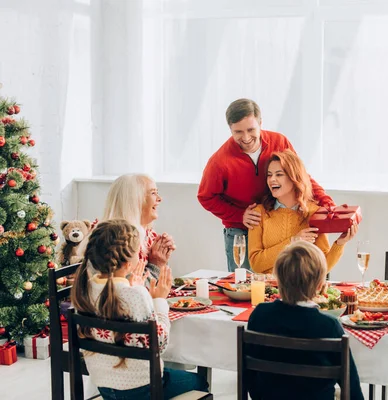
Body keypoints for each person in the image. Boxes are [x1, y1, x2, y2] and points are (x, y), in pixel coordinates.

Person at [71, 220, 208, 399]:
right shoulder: (136, 295)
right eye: (139, 252)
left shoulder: (84, 289)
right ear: (128, 264)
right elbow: (160, 343)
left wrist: (132, 286)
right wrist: (159, 300)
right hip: (143, 388)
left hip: (104, 387)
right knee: (199, 382)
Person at [197, 98, 335, 272]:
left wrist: (326, 202)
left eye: (251, 129)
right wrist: (240, 216)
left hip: (275, 220)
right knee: (244, 286)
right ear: (230, 129)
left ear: (260, 123)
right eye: (238, 132)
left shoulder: (280, 142)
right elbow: (205, 197)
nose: (246, 138)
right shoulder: (219, 162)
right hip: (242, 229)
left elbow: (299, 175)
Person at [247, 241, 364, 400]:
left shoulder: (259, 314)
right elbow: (353, 391)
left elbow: (250, 378)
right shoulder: (329, 326)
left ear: (277, 281)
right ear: (320, 285)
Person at [248, 150, 357, 274]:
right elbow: (256, 264)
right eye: (269, 174)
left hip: (302, 290)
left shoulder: (315, 213)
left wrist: (340, 243)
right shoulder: (259, 213)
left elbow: (323, 267)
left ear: (294, 177)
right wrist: (293, 242)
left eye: (279, 174)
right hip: (268, 290)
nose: (272, 179)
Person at [88, 174, 176, 280]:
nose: (159, 199)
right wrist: (156, 265)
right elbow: (131, 291)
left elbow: (158, 284)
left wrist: (162, 255)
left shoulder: (146, 234)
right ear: (135, 200)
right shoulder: (116, 240)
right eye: (153, 193)